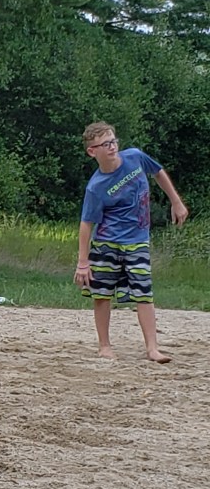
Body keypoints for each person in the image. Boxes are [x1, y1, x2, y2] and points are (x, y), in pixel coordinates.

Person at [74, 122, 188, 364]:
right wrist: (83, 262)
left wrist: (176, 201)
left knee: (144, 293)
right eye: (105, 144)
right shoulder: (96, 187)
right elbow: (86, 224)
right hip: (106, 242)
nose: (112, 147)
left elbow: (158, 171)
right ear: (92, 151)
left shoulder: (135, 157)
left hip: (137, 241)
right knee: (102, 294)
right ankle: (105, 346)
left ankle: (152, 348)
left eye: (113, 141)